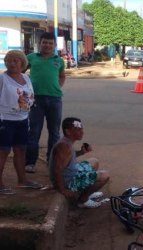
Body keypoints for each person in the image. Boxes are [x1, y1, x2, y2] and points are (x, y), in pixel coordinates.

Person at [0, 50, 43, 195]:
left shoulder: (26, 78)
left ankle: (22, 180)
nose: (12, 64)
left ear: (22, 63)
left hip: (23, 120)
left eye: (16, 61)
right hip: (5, 120)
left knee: (20, 150)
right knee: (3, 151)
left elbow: (29, 95)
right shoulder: (2, 79)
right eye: (9, 61)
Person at [25, 32, 66, 173]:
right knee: (34, 131)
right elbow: (20, 72)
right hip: (36, 100)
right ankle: (30, 162)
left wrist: (56, 87)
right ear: (39, 44)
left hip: (55, 100)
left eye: (50, 43)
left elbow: (61, 76)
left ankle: (52, 162)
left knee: (54, 132)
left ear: (54, 45)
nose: (47, 45)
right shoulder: (31, 58)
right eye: (44, 42)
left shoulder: (59, 60)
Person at [48, 117, 110, 208]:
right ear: (68, 131)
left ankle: (86, 192)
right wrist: (62, 189)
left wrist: (81, 152)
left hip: (73, 173)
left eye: (82, 129)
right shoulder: (64, 146)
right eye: (78, 130)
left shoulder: (67, 142)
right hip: (69, 182)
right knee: (104, 176)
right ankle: (83, 200)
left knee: (94, 161)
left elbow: (67, 159)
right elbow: (58, 169)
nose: (82, 132)